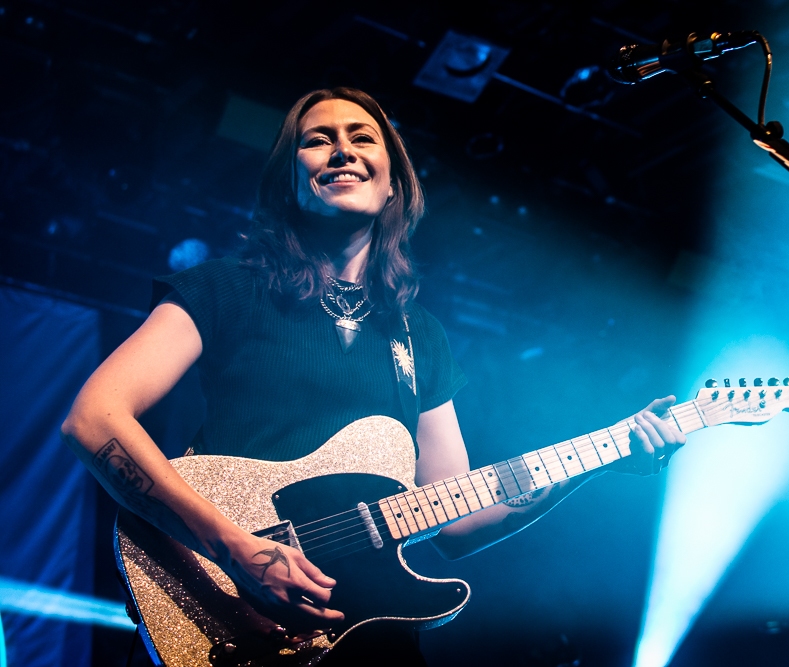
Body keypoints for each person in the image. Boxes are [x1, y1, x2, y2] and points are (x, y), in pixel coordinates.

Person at [61, 87, 686, 664]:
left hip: (369, 633)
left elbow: (460, 519)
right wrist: (237, 549)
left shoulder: (422, 337)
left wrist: (603, 458)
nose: (342, 150)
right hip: (232, 611)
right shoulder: (225, 288)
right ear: (291, 182)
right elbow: (94, 419)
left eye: (363, 138)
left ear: (393, 184)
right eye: (316, 138)